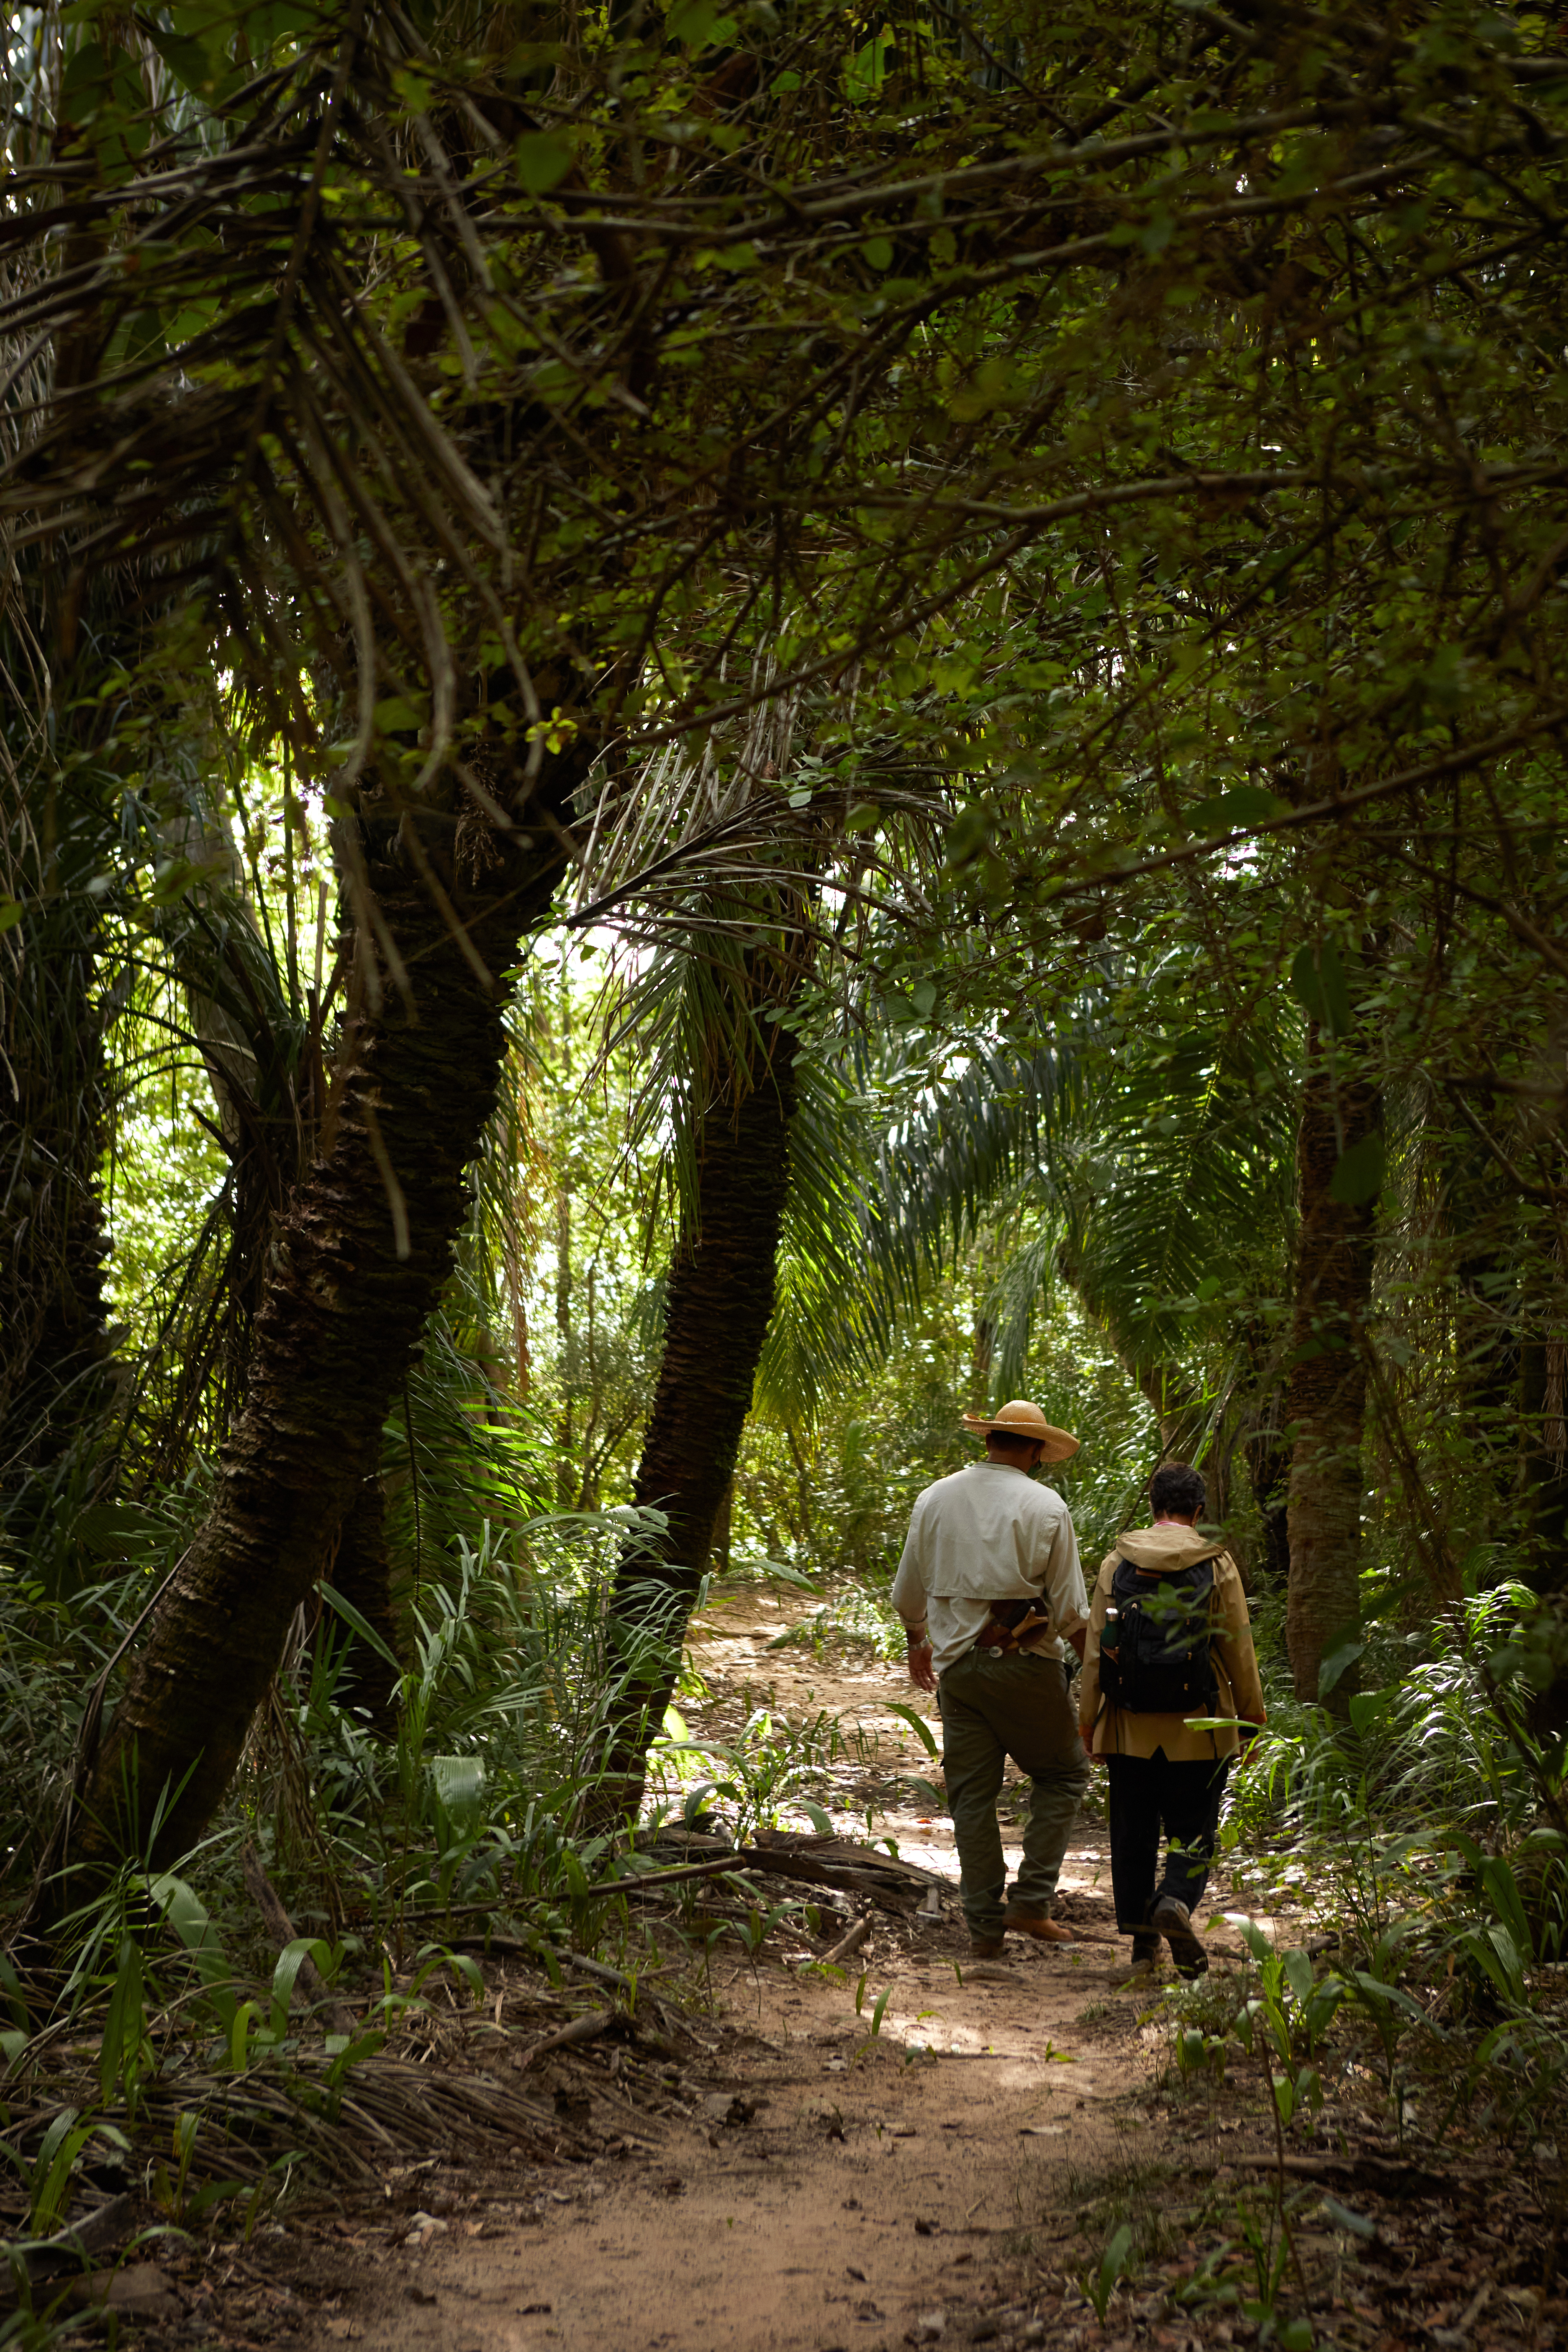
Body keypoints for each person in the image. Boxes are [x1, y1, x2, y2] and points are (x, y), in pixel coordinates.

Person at [892, 1399, 1092, 1957]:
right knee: (1062, 1776)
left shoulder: (933, 1499)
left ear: (990, 1441)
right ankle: (1029, 1903)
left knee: (972, 1802)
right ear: (1031, 1449)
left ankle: (984, 1933)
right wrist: (1099, 1675)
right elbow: (1072, 1611)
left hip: (956, 1672)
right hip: (1024, 1668)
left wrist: (917, 1640)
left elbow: (908, 1593)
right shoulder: (1045, 1506)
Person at [1078, 1460, 1267, 1978]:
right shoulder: (1217, 1564)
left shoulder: (1118, 1561)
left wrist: (1088, 1719)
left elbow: (1098, 1648)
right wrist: (1250, 1715)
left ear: (1153, 1506)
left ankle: (1143, 1951)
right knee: (1195, 1828)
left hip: (1127, 1724)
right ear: (1198, 1511)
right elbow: (1237, 1645)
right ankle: (1177, 1900)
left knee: (1132, 1834)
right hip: (1200, 1728)